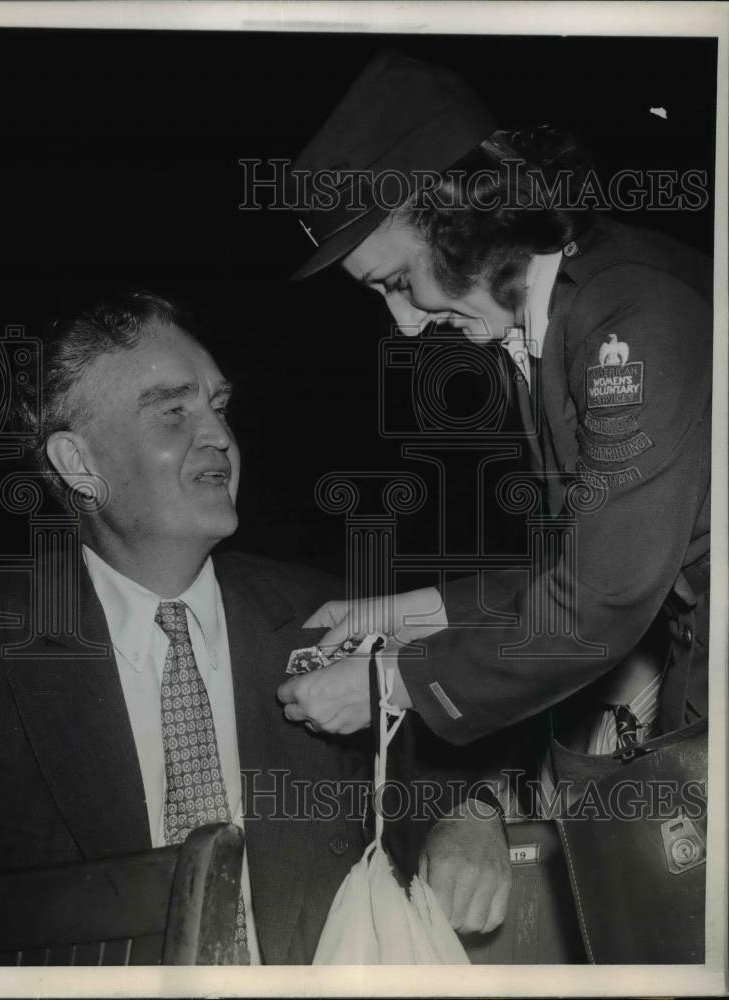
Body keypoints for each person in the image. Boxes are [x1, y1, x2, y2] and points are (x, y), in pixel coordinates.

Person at [0, 291, 511, 964]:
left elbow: (452, 749)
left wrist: (473, 814)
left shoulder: (322, 617)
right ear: (78, 463)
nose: (219, 438)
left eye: (220, 407)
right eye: (174, 412)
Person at [277, 50, 710, 800]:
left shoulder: (630, 315)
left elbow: (603, 596)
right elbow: (578, 562)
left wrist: (392, 681)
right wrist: (407, 615)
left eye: (399, 281)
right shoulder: (550, 322)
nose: (406, 324)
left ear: (462, 221)